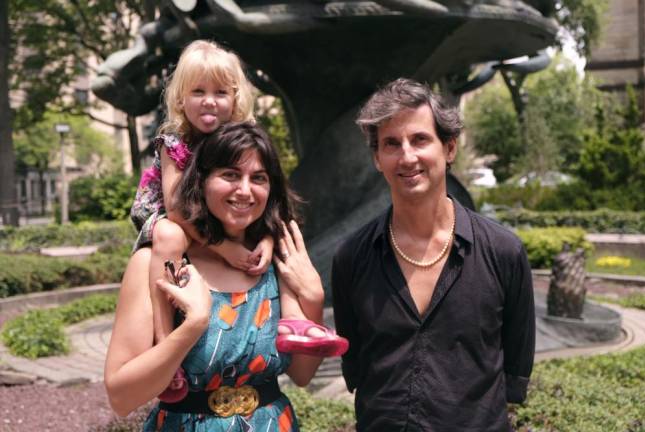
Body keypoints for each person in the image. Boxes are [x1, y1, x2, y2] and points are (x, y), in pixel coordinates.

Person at [130, 40, 347, 400]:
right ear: (181, 98)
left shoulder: (239, 140)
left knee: (279, 237)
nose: (210, 101)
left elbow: (269, 198)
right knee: (169, 236)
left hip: (214, 217)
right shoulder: (175, 143)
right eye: (198, 91)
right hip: (175, 216)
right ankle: (163, 338)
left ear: (235, 99)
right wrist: (226, 248)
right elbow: (176, 206)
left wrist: (265, 240)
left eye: (220, 92)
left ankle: (294, 320)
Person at [331, 78, 535, 431]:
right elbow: (357, 365)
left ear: (449, 148)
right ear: (378, 159)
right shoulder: (351, 258)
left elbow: (515, 367)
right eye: (391, 144)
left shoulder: (504, 253)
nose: (407, 156)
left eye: (420, 139)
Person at [105, 122, 325, 431]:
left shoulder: (276, 261)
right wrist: (192, 325)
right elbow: (122, 397)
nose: (245, 190)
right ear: (202, 180)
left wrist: (314, 300)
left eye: (258, 178)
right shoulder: (159, 262)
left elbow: (303, 375)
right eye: (230, 175)